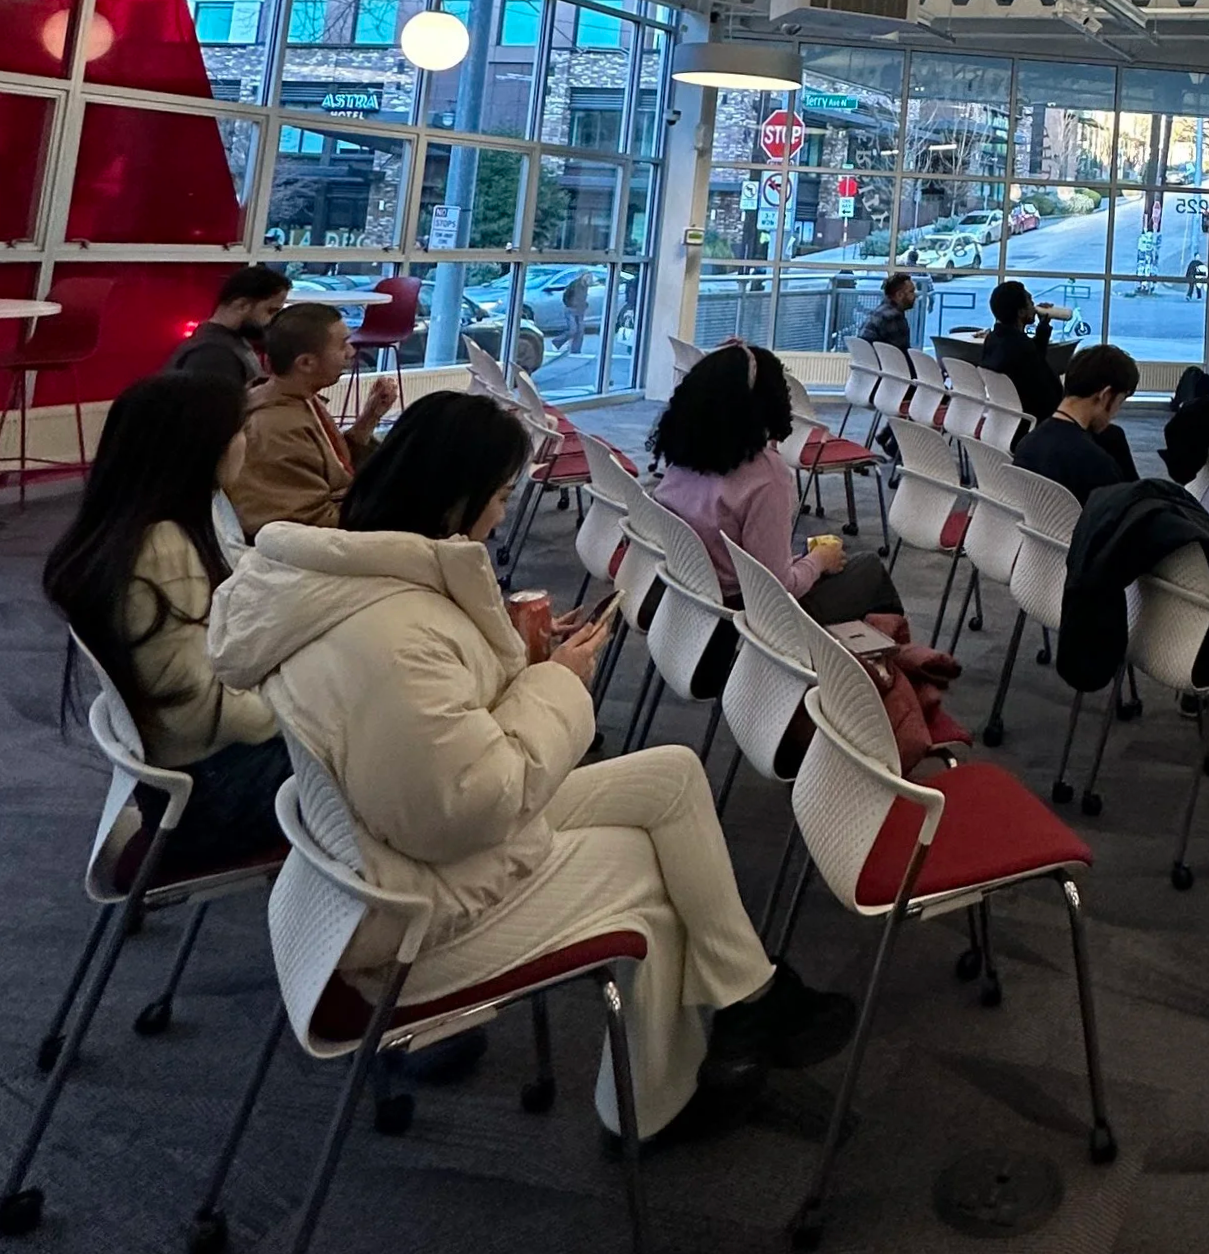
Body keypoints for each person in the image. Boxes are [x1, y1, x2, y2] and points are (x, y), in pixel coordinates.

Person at [207, 391, 850, 1149]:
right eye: (503, 496)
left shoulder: (347, 582)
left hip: (375, 849)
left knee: (671, 775)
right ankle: (656, 1106)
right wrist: (558, 684)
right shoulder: (395, 632)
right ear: (458, 498)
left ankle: (748, 997)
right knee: (653, 879)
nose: (504, 514)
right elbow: (470, 805)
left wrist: (515, 663)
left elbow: (425, 740)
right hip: (410, 915)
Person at [42, 374, 284, 874]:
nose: (247, 442)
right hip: (212, 798)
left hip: (185, 785)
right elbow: (199, 710)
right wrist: (296, 709)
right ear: (200, 450)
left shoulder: (128, 532)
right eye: (239, 431)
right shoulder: (166, 550)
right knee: (382, 766)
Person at [651, 343, 904, 625]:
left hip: (689, 600)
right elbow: (781, 588)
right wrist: (819, 560)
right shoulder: (766, 476)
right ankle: (892, 659)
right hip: (754, 621)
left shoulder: (684, 454)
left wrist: (803, 561)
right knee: (868, 568)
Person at [225, 302, 396, 541]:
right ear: (306, 363)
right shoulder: (274, 427)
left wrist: (369, 418)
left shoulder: (301, 398)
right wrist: (396, 512)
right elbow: (303, 525)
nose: (351, 352)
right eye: (342, 345)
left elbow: (332, 468)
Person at [1013, 344, 1140, 505]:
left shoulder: (1026, 445)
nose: (1115, 414)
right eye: (1119, 402)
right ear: (1105, 395)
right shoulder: (1098, 465)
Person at [163, 263, 290, 393]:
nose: (273, 320)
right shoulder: (213, 355)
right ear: (242, 305)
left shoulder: (226, 344)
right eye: (271, 311)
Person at [978, 278, 1062, 426]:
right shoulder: (1022, 347)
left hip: (1007, 421)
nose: (1034, 307)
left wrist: (1043, 327)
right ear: (1021, 312)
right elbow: (1050, 394)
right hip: (1034, 422)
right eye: (1030, 302)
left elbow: (1033, 359)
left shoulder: (993, 339)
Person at [860, 272, 917, 353]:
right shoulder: (894, 317)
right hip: (886, 364)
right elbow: (902, 354)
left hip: (871, 363)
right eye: (911, 291)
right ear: (899, 295)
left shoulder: (877, 312)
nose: (915, 295)